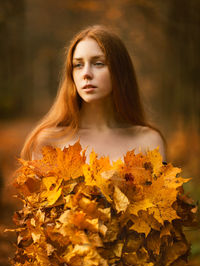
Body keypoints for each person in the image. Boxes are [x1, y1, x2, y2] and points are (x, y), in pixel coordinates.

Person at [20, 25, 167, 163]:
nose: (86, 74)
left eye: (98, 63)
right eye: (78, 65)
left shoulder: (149, 141)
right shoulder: (49, 141)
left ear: (120, 71)